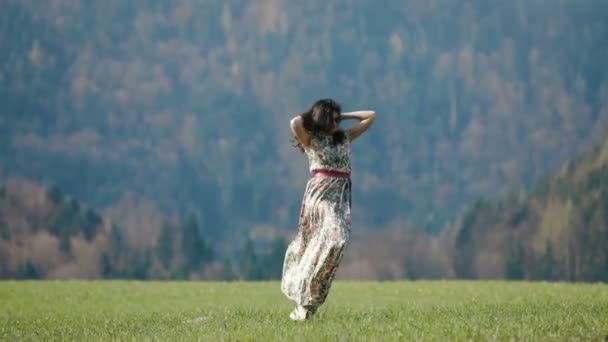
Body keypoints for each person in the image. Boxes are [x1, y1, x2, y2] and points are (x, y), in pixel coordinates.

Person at [281, 98, 375, 321]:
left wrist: (343, 116)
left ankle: (308, 304)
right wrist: (315, 116)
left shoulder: (343, 137)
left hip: (340, 197)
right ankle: (304, 295)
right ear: (323, 119)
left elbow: (370, 115)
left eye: (337, 118)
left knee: (329, 246)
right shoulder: (311, 140)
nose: (336, 122)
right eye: (332, 118)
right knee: (337, 237)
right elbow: (295, 122)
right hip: (320, 196)